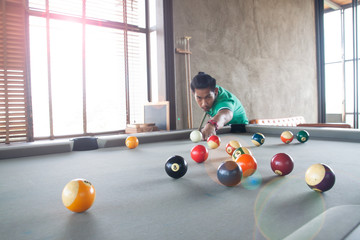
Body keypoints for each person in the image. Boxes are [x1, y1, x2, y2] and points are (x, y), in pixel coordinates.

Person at [190, 72, 248, 140]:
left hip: (241, 133)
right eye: (199, 98)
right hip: (223, 132)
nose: (204, 103)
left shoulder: (224, 100)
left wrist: (211, 125)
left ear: (216, 91)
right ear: (193, 94)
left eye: (208, 97)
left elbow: (224, 115)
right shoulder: (209, 91)